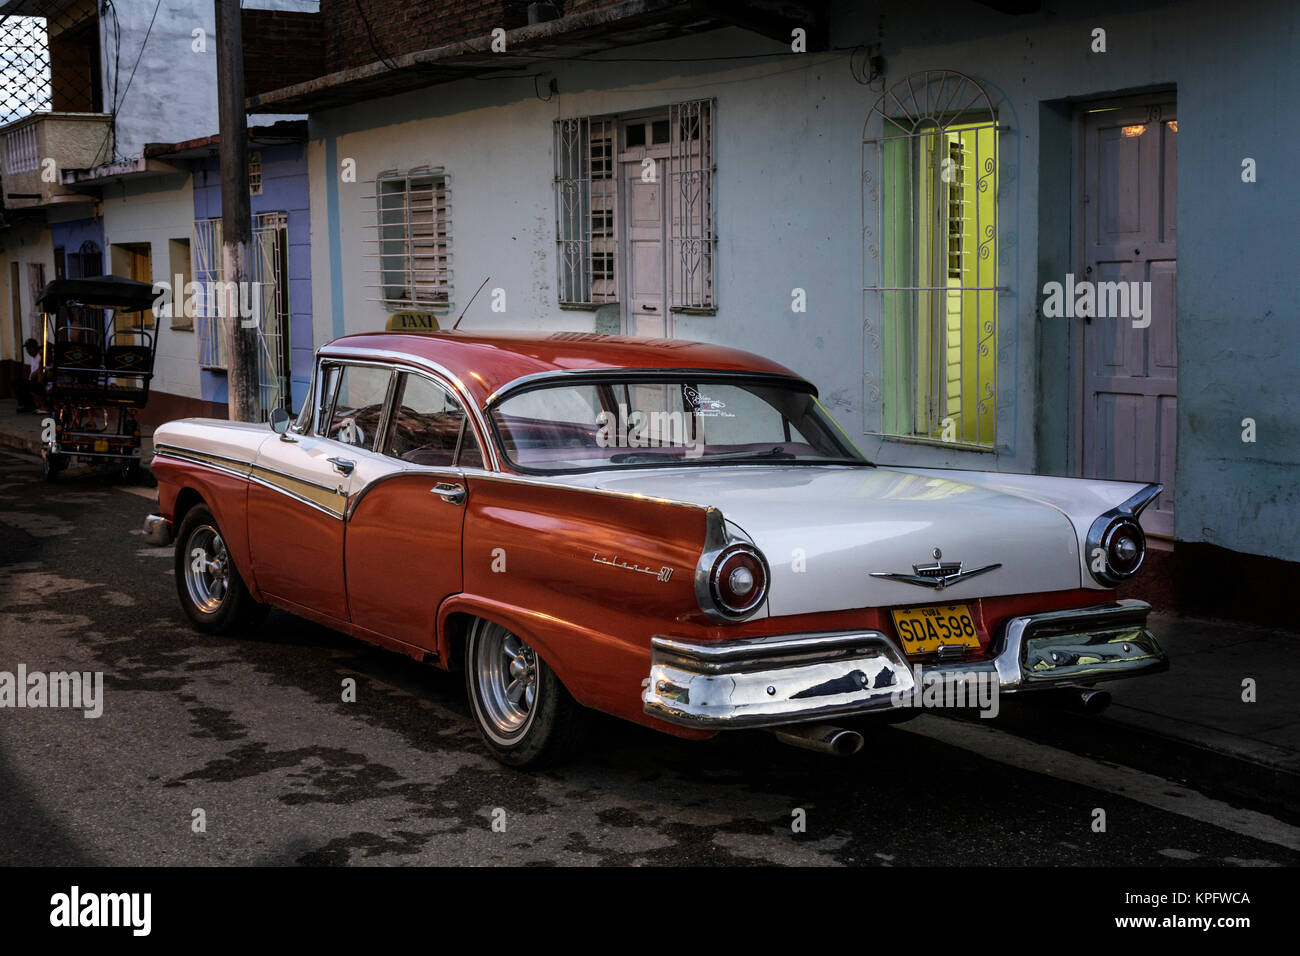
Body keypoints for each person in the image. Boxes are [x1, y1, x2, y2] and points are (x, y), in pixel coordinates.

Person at [14, 338, 46, 413]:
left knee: (19, 383)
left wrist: (34, 375)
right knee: (17, 383)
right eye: (27, 349)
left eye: (30, 348)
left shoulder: (40, 357)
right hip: (33, 381)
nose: (28, 351)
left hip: (39, 382)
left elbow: (39, 372)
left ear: (35, 348)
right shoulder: (33, 358)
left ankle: (29, 406)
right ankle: (27, 405)